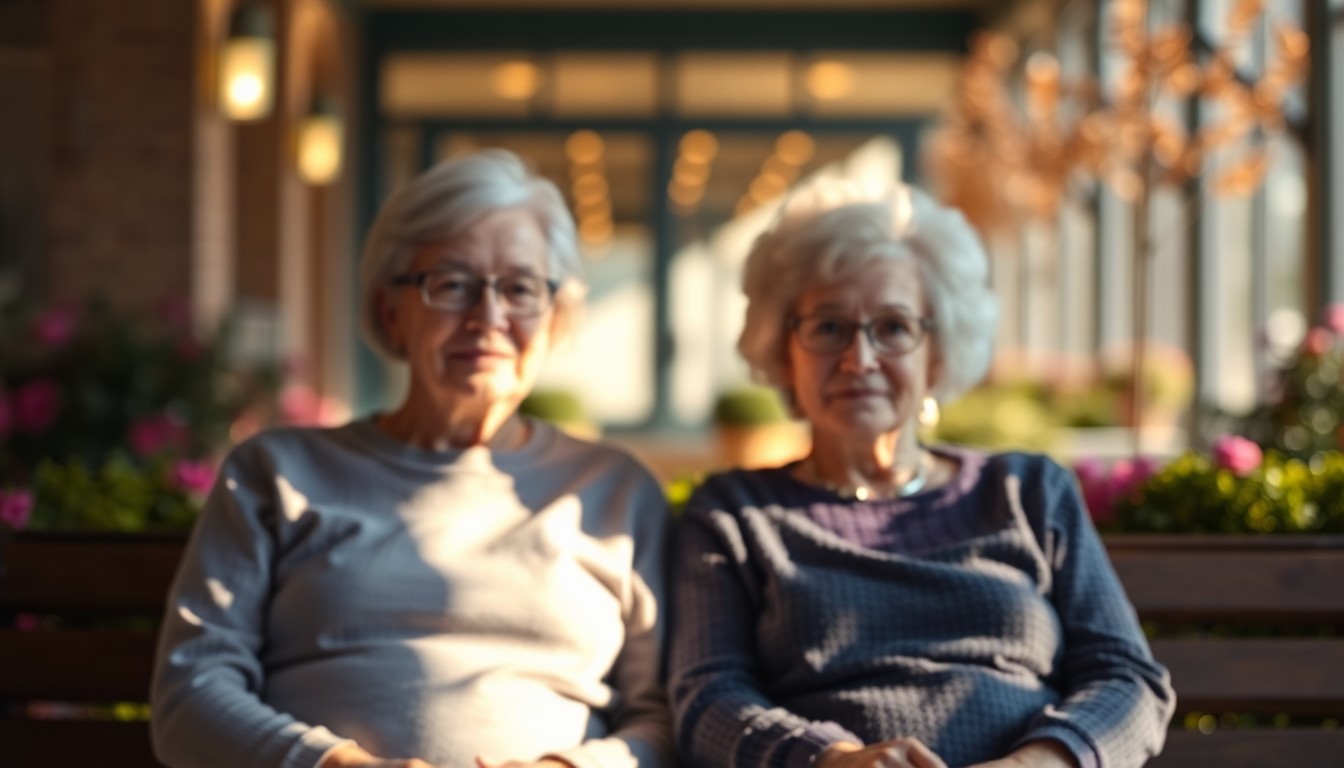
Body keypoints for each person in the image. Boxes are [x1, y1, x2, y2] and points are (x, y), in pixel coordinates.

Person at [151, 150, 675, 768]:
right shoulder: (278, 473)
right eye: (451, 284)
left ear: (555, 318)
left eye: (520, 288)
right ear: (389, 312)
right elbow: (191, 694)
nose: (489, 317)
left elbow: (664, 717)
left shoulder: (616, 491)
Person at [666, 181, 1174, 768]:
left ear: (937, 352)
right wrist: (830, 760)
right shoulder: (734, 514)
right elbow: (708, 697)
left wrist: (1036, 763)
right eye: (829, 328)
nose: (860, 359)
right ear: (784, 350)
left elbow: (1127, 677)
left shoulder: (1028, 492)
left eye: (893, 327)